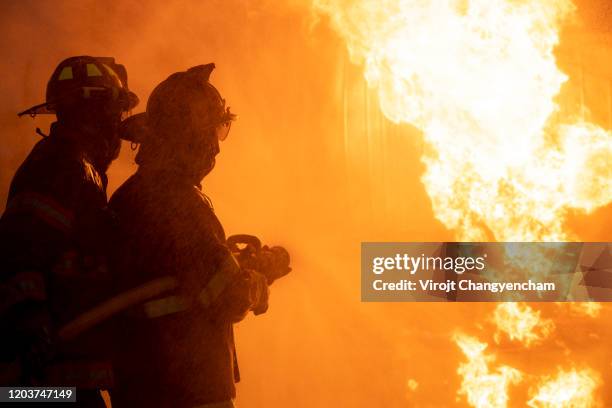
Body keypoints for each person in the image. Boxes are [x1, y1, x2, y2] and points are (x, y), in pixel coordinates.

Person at [109, 63, 289, 408]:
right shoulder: (176, 201)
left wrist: (236, 263)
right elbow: (226, 294)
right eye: (211, 133)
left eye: (220, 132)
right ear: (187, 136)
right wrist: (258, 278)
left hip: (145, 388)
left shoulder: (133, 196)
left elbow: (186, 277)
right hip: (187, 389)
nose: (216, 149)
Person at [0, 56, 138, 407]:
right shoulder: (61, 166)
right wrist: (31, 324)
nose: (118, 125)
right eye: (115, 112)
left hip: (67, 379)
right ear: (95, 111)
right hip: (45, 385)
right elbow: (19, 251)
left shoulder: (78, 169)